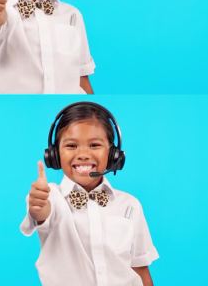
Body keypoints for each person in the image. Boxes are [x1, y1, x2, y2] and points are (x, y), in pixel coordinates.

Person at [21, 102, 157, 285]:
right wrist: (37, 207)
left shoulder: (129, 205)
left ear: (113, 154)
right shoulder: (50, 196)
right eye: (71, 146)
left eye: (94, 145)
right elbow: (41, 212)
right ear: (54, 154)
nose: (83, 154)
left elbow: (140, 268)